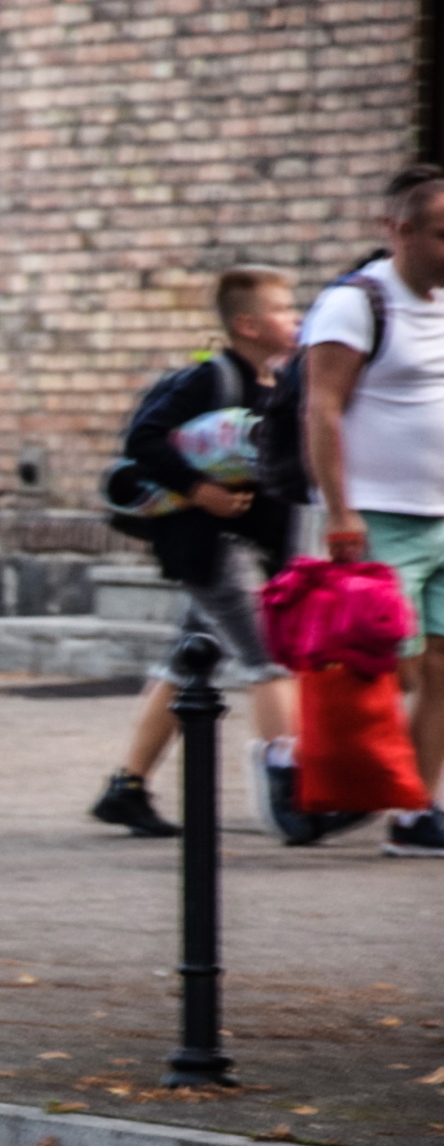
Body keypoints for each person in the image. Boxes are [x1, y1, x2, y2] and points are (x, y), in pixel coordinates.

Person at [91, 266, 304, 838]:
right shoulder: (211, 380)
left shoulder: (276, 385)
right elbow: (143, 439)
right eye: (285, 309)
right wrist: (198, 489)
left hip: (247, 545)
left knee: (185, 666)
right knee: (271, 659)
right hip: (210, 547)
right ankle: (293, 795)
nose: (297, 319)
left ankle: (126, 788)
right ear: (248, 324)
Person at [302, 164, 444, 856]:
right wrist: (339, 510)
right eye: (443, 234)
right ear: (400, 230)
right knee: (393, 666)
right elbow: (322, 407)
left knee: (442, 666)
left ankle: (416, 809)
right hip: (380, 515)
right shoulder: (355, 303)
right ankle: (329, 780)